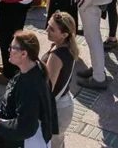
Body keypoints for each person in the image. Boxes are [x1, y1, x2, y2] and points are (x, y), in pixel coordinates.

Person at [0, 30, 57, 148]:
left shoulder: (30, 86)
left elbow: (25, 127)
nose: (9, 50)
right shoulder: (36, 71)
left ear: (24, 54)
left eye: (12, 48)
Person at [43, 12, 78, 147]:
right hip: (63, 107)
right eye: (48, 25)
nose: (47, 30)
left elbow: (47, 89)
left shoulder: (56, 56)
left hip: (57, 112)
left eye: (52, 29)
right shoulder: (65, 47)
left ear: (64, 35)